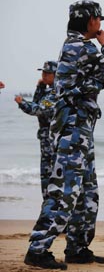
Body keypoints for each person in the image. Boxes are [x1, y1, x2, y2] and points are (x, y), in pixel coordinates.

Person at [24, 0, 104, 270]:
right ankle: (38, 249)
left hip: (81, 126)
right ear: (91, 20)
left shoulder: (78, 47)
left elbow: (100, 71)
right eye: (99, 20)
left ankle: (78, 248)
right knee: (65, 189)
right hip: (74, 127)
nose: (100, 25)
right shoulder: (81, 45)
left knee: (87, 191)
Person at [15, 61, 58, 200]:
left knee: (50, 176)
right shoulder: (49, 91)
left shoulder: (55, 93)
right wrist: (40, 86)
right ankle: (48, 204)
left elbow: (37, 109)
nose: (44, 75)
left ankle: (51, 206)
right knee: (46, 176)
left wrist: (22, 103)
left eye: (47, 73)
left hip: (52, 141)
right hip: (46, 140)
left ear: (56, 75)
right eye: (43, 72)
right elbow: (37, 103)